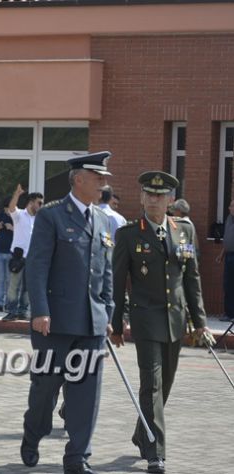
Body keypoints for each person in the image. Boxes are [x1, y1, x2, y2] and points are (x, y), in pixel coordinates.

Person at [21, 152, 114, 474]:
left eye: (105, 178)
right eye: (98, 177)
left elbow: (106, 273)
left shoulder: (103, 220)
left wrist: (109, 314)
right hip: (55, 323)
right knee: (45, 389)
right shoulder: (52, 216)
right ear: (78, 179)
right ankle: (33, 435)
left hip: (91, 324)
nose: (104, 182)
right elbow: (37, 267)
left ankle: (77, 457)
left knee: (86, 395)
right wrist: (40, 311)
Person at [111, 171, 209, 474]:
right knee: (151, 385)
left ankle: (143, 432)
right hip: (145, 318)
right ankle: (156, 452)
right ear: (142, 198)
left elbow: (191, 278)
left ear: (170, 200)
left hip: (176, 319)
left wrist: (200, 321)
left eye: (160, 195)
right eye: (149, 195)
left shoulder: (184, 231)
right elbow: (117, 281)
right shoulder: (128, 234)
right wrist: (116, 325)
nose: (154, 200)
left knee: (165, 384)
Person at [4, 185, 43, 320]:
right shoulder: (20, 215)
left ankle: (22, 311)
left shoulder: (40, 219)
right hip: (18, 257)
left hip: (33, 258)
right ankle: (11, 311)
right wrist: (17, 194)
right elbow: (11, 208)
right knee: (14, 286)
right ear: (31, 202)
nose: (41, 205)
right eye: (39, 202)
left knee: (28, 288)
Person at [216, 199, 234, 322]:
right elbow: (226, 239)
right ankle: (229, 313)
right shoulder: (228, 219)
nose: (229, 208)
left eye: (232, 206)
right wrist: (221, 254)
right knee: (228, 285)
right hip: (228, 256)